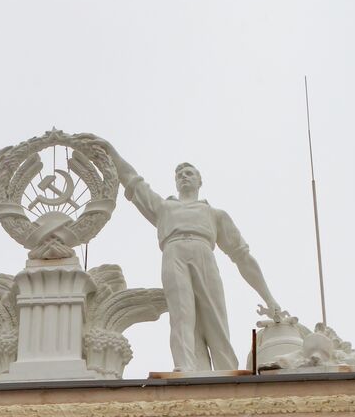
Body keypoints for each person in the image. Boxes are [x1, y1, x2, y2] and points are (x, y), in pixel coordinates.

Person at [91, 139, 282, 372]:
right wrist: (112, 154)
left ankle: (227, 371)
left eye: (189, 172)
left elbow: (243, 257)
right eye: (179, 173)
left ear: (200, 180)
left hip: (204, 253)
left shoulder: (214, 214)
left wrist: (269, 298)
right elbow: (133, 182)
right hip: (173, 253)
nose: (184, 176)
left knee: (215, 317)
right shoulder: (164, 208)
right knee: (181, 315)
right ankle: (185, 367)